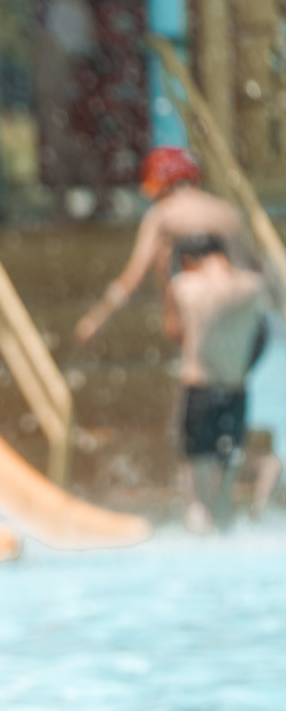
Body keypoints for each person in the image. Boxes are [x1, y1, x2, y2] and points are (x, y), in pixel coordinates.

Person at [74, 146, 260, 345]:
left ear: (157, 185)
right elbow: (254, 264)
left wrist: (96, 319)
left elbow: (133, 278)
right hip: (244, 300)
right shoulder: (226, 211)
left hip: (199, 305)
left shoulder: (162, 214)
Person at [163, 234, 276, 532]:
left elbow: (174, 330)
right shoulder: (253, 286)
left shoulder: (184, 286)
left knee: (198, 500)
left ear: (189, 261)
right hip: (237, 393)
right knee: (223, 497)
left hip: (199, 391)